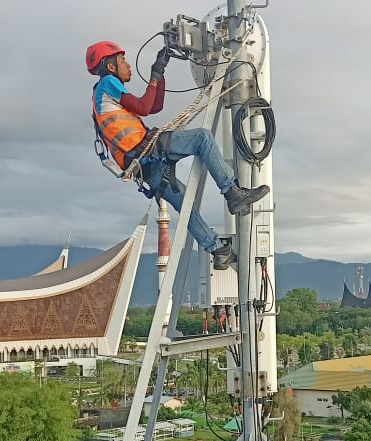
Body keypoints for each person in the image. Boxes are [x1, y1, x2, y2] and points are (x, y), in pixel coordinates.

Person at [86, 40, 269, 270]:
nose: (128, 65)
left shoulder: (104, 93)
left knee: (185, 204)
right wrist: (154, 74)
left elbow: (154, 106)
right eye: (122, 60)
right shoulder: (107, 83)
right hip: (145, 149)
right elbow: (143, 108)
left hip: (143, 163)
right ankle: (232, 192)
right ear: (110, 66)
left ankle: (217, 250)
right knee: (202, 138)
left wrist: (159, 73)